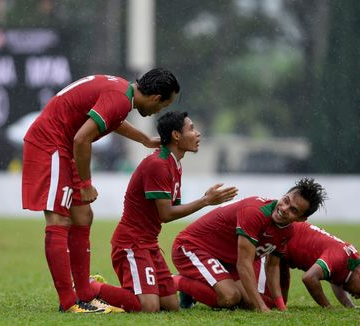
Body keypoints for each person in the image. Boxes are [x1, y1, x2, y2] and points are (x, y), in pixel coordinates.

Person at [22, 68, 180, 313]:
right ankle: (69, 302)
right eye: (164, 104)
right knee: (59, 218)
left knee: (84, 216)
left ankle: (85, 293)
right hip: (50, 144)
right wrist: (85, 184)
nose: (160, 111)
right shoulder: (119, 99)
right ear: (156, 97)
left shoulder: (121, 91)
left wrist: (143, 139)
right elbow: (81, 139)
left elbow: (108, 119)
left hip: (64, 145)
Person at [88, 111, 238, 313]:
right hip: (131, 244)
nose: (198, 134)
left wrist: (205, 201)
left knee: (170, 306)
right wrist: (205, 201)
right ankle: (91, 287)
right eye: (192, 129)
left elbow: (170, 210)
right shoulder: (157, 164)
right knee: (148, 307)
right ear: (176, 135)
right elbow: (166, 214)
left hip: (149, 244)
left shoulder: (174, 164)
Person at [172, 178, 327, 312]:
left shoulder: (288, 231)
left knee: (249, 302)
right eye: (286, 200)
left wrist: (281, 307)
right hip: (191, 247)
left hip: (224, 259)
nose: (284, 209)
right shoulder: (255, 212)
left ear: (301, 219)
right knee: (230, 297)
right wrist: (262, 308)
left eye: (293, 210)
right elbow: (244, 263)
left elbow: (273, 267)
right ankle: (174, 280)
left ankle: (196, 286)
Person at [255, 222, 360, 309]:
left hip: (281, 254)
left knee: (278, 304)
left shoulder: (351, 261)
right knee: (260, 302)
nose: (357, 296)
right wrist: (327, 307)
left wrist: (349, 306)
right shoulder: (340, 257)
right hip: (272, 243)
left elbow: (336, 279)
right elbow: (309, 278)